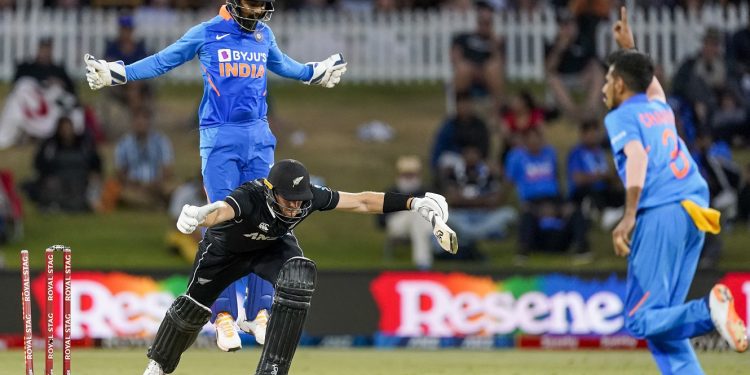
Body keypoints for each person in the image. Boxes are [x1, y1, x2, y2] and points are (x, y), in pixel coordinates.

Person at [84, 0, 348, 352]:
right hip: (220, 138)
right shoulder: (207, 33)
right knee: (221, 220)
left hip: (259, 137)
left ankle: (258, 313)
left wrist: (313, 72)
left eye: (261, 7)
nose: (256, 14)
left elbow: (285, 65)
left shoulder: (263, 35)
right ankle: (222, 315)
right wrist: (120, 73)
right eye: (251, 6)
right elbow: (165, 59)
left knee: (268, 219)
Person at [141, 159, 457, 375]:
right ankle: (157, 365)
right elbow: (221, 211)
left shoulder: (307, 199)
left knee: (298, 277)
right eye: (288, 199)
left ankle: (273, 369)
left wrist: (413, 203)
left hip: (271, 249)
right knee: (191, 308)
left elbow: (360, 201)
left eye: (299, 199)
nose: (295, 206)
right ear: (270, 191)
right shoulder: (251, 196)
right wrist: (198, 215)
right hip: (224, 252)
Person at [603, 8, 747, 374]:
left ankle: (707, 310)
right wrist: (630, 47)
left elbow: (635, 157)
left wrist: (630, 215)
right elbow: (648, 81)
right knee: (662, 323)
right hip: (693, 209)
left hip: (661, 211)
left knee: (638, 320)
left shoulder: (620, 116)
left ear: (620, 85)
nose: (604, 88)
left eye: (608, 80)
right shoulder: (657, 106)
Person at [376, 156, 434, 269]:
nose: (409, 178)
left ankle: (423, 262)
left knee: (418, 216)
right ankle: (423, 263)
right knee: (416, 212)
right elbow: (381, 220)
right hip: (397, 226)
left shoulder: (426, 192)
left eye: (412, 175)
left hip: (422, 225)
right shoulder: (390, 193)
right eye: (406, 175)